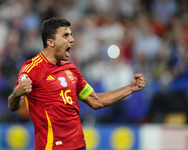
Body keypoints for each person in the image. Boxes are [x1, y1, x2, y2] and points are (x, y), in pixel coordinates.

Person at [8, 17, 146, 150]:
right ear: (51, 42)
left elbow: (96, 101)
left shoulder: (71, 70)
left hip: (79, 145)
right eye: (65, 35)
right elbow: (13, 106)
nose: (72, 39)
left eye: (71, 35)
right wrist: (16, 94)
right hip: (52, 146)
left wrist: (130, 88)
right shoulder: (32, 69)